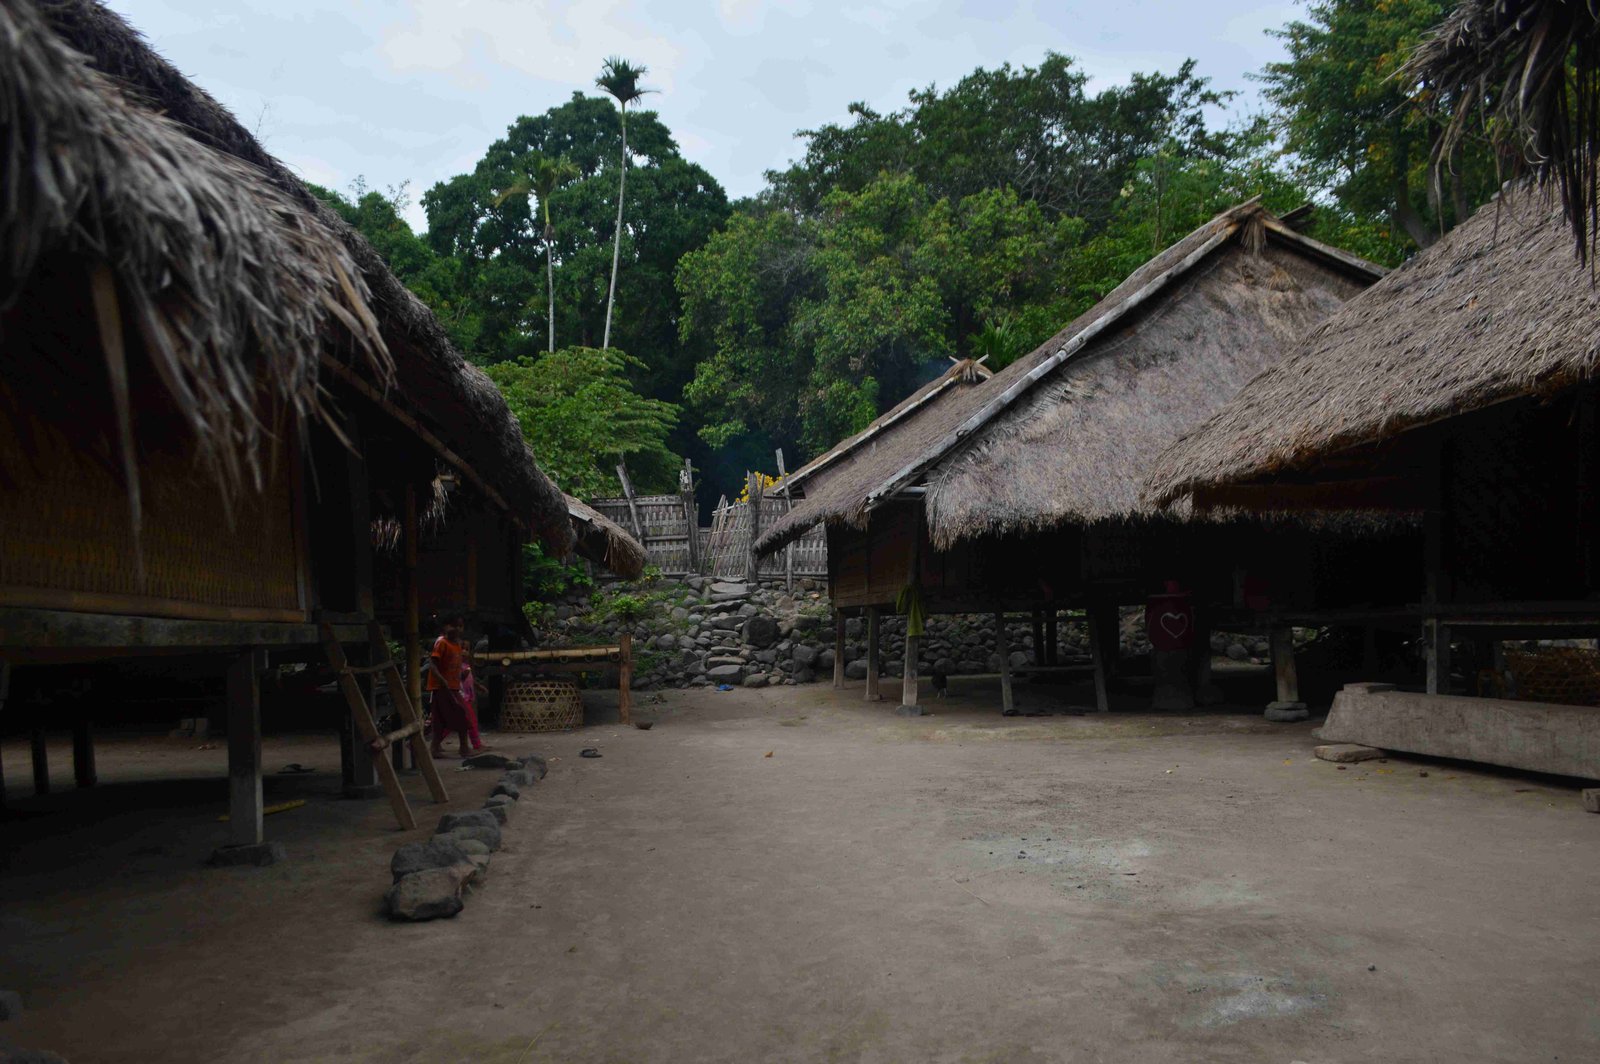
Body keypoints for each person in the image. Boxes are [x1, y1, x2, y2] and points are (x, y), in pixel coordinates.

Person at [426, 616, 473, 760]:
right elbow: (432, 664)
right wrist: (442, 680)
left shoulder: (458, 645)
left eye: (460, 626)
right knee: (462, 715)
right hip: (441, 687)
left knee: (440, 719)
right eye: (454, 626)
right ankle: (463, 748)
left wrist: (462, 677)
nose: (458, 629)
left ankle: (436, 748)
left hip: (453, 686)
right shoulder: (442, 643)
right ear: (446, 627)